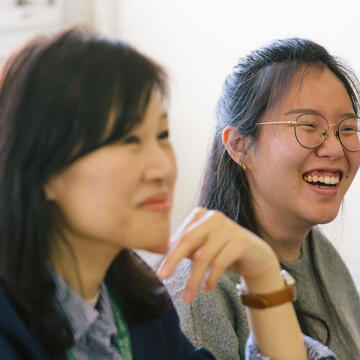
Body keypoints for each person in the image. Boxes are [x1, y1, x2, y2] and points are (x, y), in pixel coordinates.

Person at [0, 28, 336, 360]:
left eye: (162, 134)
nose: (162, 167)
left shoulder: (142, 308)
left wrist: (262, 274)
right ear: (40, 169)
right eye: (129, 139)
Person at [165, 38, 360, 360]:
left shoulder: (317, 251)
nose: (335, 148)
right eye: (308, 125)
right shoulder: (201, 283)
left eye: (347, 128)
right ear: (239, 145)